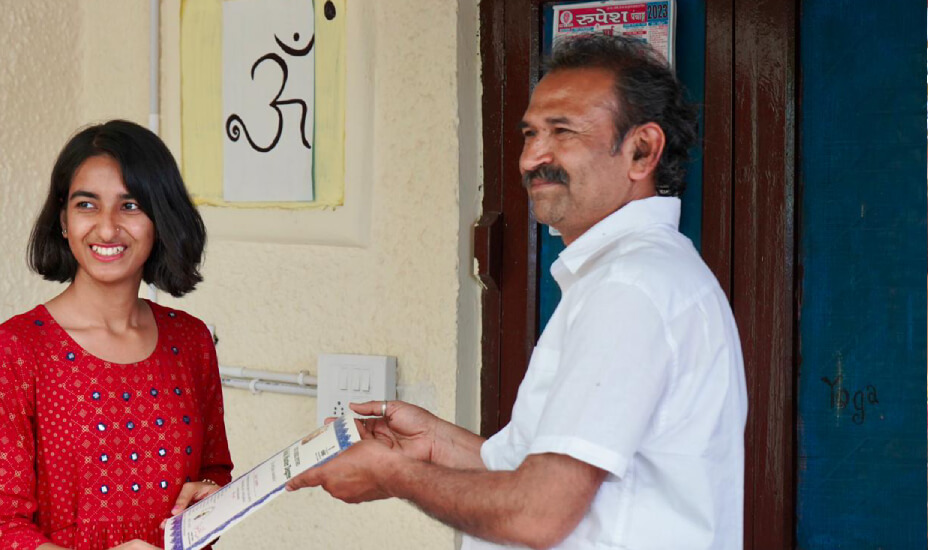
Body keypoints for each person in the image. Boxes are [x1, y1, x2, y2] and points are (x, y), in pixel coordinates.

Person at [288, 34, 746, 549]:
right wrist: (437, 444)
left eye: (562, 132)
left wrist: (394, 475)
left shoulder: (630, 288)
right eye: (530, 134)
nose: (532, 159)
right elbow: (544, 466)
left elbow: (536, 514)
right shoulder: (634, 275)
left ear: (641, 151)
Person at [0, 120, 232, 550]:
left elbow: (215, 472)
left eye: (130, 206)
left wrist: (213, 498)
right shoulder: (13, 352)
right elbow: (0, 529)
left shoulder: (192, 342)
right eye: (87, 205)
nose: (107, 229)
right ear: (63, 220)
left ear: (161, 219)